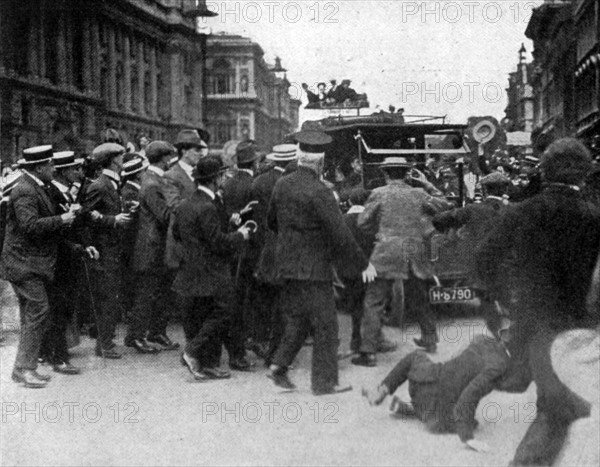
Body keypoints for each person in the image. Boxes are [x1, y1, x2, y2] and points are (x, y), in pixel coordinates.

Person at [476, 137, 600, 466]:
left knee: (559, 410)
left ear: (543, 171)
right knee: (559, 410)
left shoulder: (522, 212)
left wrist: (507, 300)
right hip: (583, 330)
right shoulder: (594, 217)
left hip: (538, 325)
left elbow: (484, 260)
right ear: (585, 174)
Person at [266, 130, 376, 394]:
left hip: (288, 266)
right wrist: (364, 264)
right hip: (314, 269)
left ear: (300, 158)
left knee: (299, 319)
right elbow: (340, 234)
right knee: (327, 325)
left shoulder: (282, 184)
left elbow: (271, 221)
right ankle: (324, 383)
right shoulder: (321, 191)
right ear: (320, 161)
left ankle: (278, 366)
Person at [352, 157, 453, 367]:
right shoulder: (418, 194)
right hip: (413, 251)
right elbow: (444, 204)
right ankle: (429, 339)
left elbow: (362, 223)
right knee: (419, 296)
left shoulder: (378, 193)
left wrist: (380, 232)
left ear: (385, 173)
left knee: (374, 300)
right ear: (407, 174)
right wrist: (426, 183)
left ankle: (368, 352)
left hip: (386, 251)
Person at [362, 327, 531, 449]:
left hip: (420, 383)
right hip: (438, 418)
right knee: (471, 422)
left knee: (416, 356)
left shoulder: (480, 339)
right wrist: (467, 437)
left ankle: (381, 391)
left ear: (503, 337)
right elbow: (470, 394)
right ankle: (417, 411)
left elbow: (454, 358)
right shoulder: (499, 366)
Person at [0, 146, 80, 387]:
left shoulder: (35, 186)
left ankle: (24, 368)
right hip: (24, 263)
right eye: (51, 165)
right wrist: (62, 219)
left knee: (33, 314)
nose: (54, 169)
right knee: (38, 310)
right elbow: (30, 226)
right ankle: (24, 368)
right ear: (40, 167)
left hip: (29, 263)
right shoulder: (25, 190)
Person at [173, 156, 253, 381]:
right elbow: (217, 242)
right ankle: (192, 351)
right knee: (224, 312)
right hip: (213, 271)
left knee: (204, 315)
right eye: (222, 175)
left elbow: (177, 234)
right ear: (215, 178)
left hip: (191, 270)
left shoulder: (186, 204)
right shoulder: (208, 207)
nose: (225, 179)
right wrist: (240, 234)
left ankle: (208, 364)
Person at [40, 151, 97, 375]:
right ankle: (58, 357)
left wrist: (85, 245)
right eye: (74, 169)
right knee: (59, 309)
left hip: (68, 258)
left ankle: (51, 352)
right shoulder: (53, 194)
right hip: (59, 260)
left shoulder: (65, 193)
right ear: (63, 172)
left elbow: (75, 227)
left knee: (63, 309)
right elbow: (56, 231)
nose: (79, 173)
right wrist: (76, 247)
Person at [125, 141, 180, 353]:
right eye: (169, 158)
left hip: (157, 247)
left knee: (161, 292)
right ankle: (136, 336)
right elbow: (164, 215)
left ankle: (156, 332)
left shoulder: (152, 179)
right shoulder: (153, 183)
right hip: (152, 248)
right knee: (146, 294)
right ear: (165, 158)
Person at [83, 143, 132, 359]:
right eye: (121, 155)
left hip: (113, 249)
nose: (124, 158)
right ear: (113, 159)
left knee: (112, 296)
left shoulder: (111, 184)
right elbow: (85, 215)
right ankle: (104, 344)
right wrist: (112, 220)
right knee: (107, 298)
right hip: (105, 251)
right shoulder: (101, 185)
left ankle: (106, 341)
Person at [251, 144, 298, 365]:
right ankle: (276, 352)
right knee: (284, 303)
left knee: (264, 299)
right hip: (284, 248)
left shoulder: (259, 181)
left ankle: (260, 340)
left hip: (263, 246)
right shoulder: (289, 184)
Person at [220, 140, 262, 370]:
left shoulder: (227, 184)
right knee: (246, 301)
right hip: (248, 248)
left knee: (234, 299)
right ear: (254, 162)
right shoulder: (253, 185)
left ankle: (238, 347)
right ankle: (241, 350)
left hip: (230, 246)